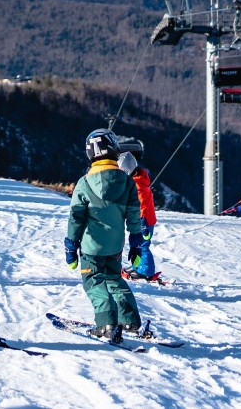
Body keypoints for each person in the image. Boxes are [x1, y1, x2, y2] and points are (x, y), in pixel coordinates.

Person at [64, 128, 143, 343]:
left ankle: (106, 323)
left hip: (92, 247)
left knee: (94, 281)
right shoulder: (127, 181)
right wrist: (136, 242)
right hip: (115, 246)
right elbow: (135, 214)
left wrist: (71, 246)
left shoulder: (84, 183)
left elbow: (76, 218)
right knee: (114, 279)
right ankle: (130, 321)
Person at [117, 139, 159, 280]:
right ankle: (137, 266)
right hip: (142, 220)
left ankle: (146, 271)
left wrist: (143, 223)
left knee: (142, 245)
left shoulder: (138, 187)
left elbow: (143, 206)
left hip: (144, 221)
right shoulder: (138, 180)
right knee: (136, 244)